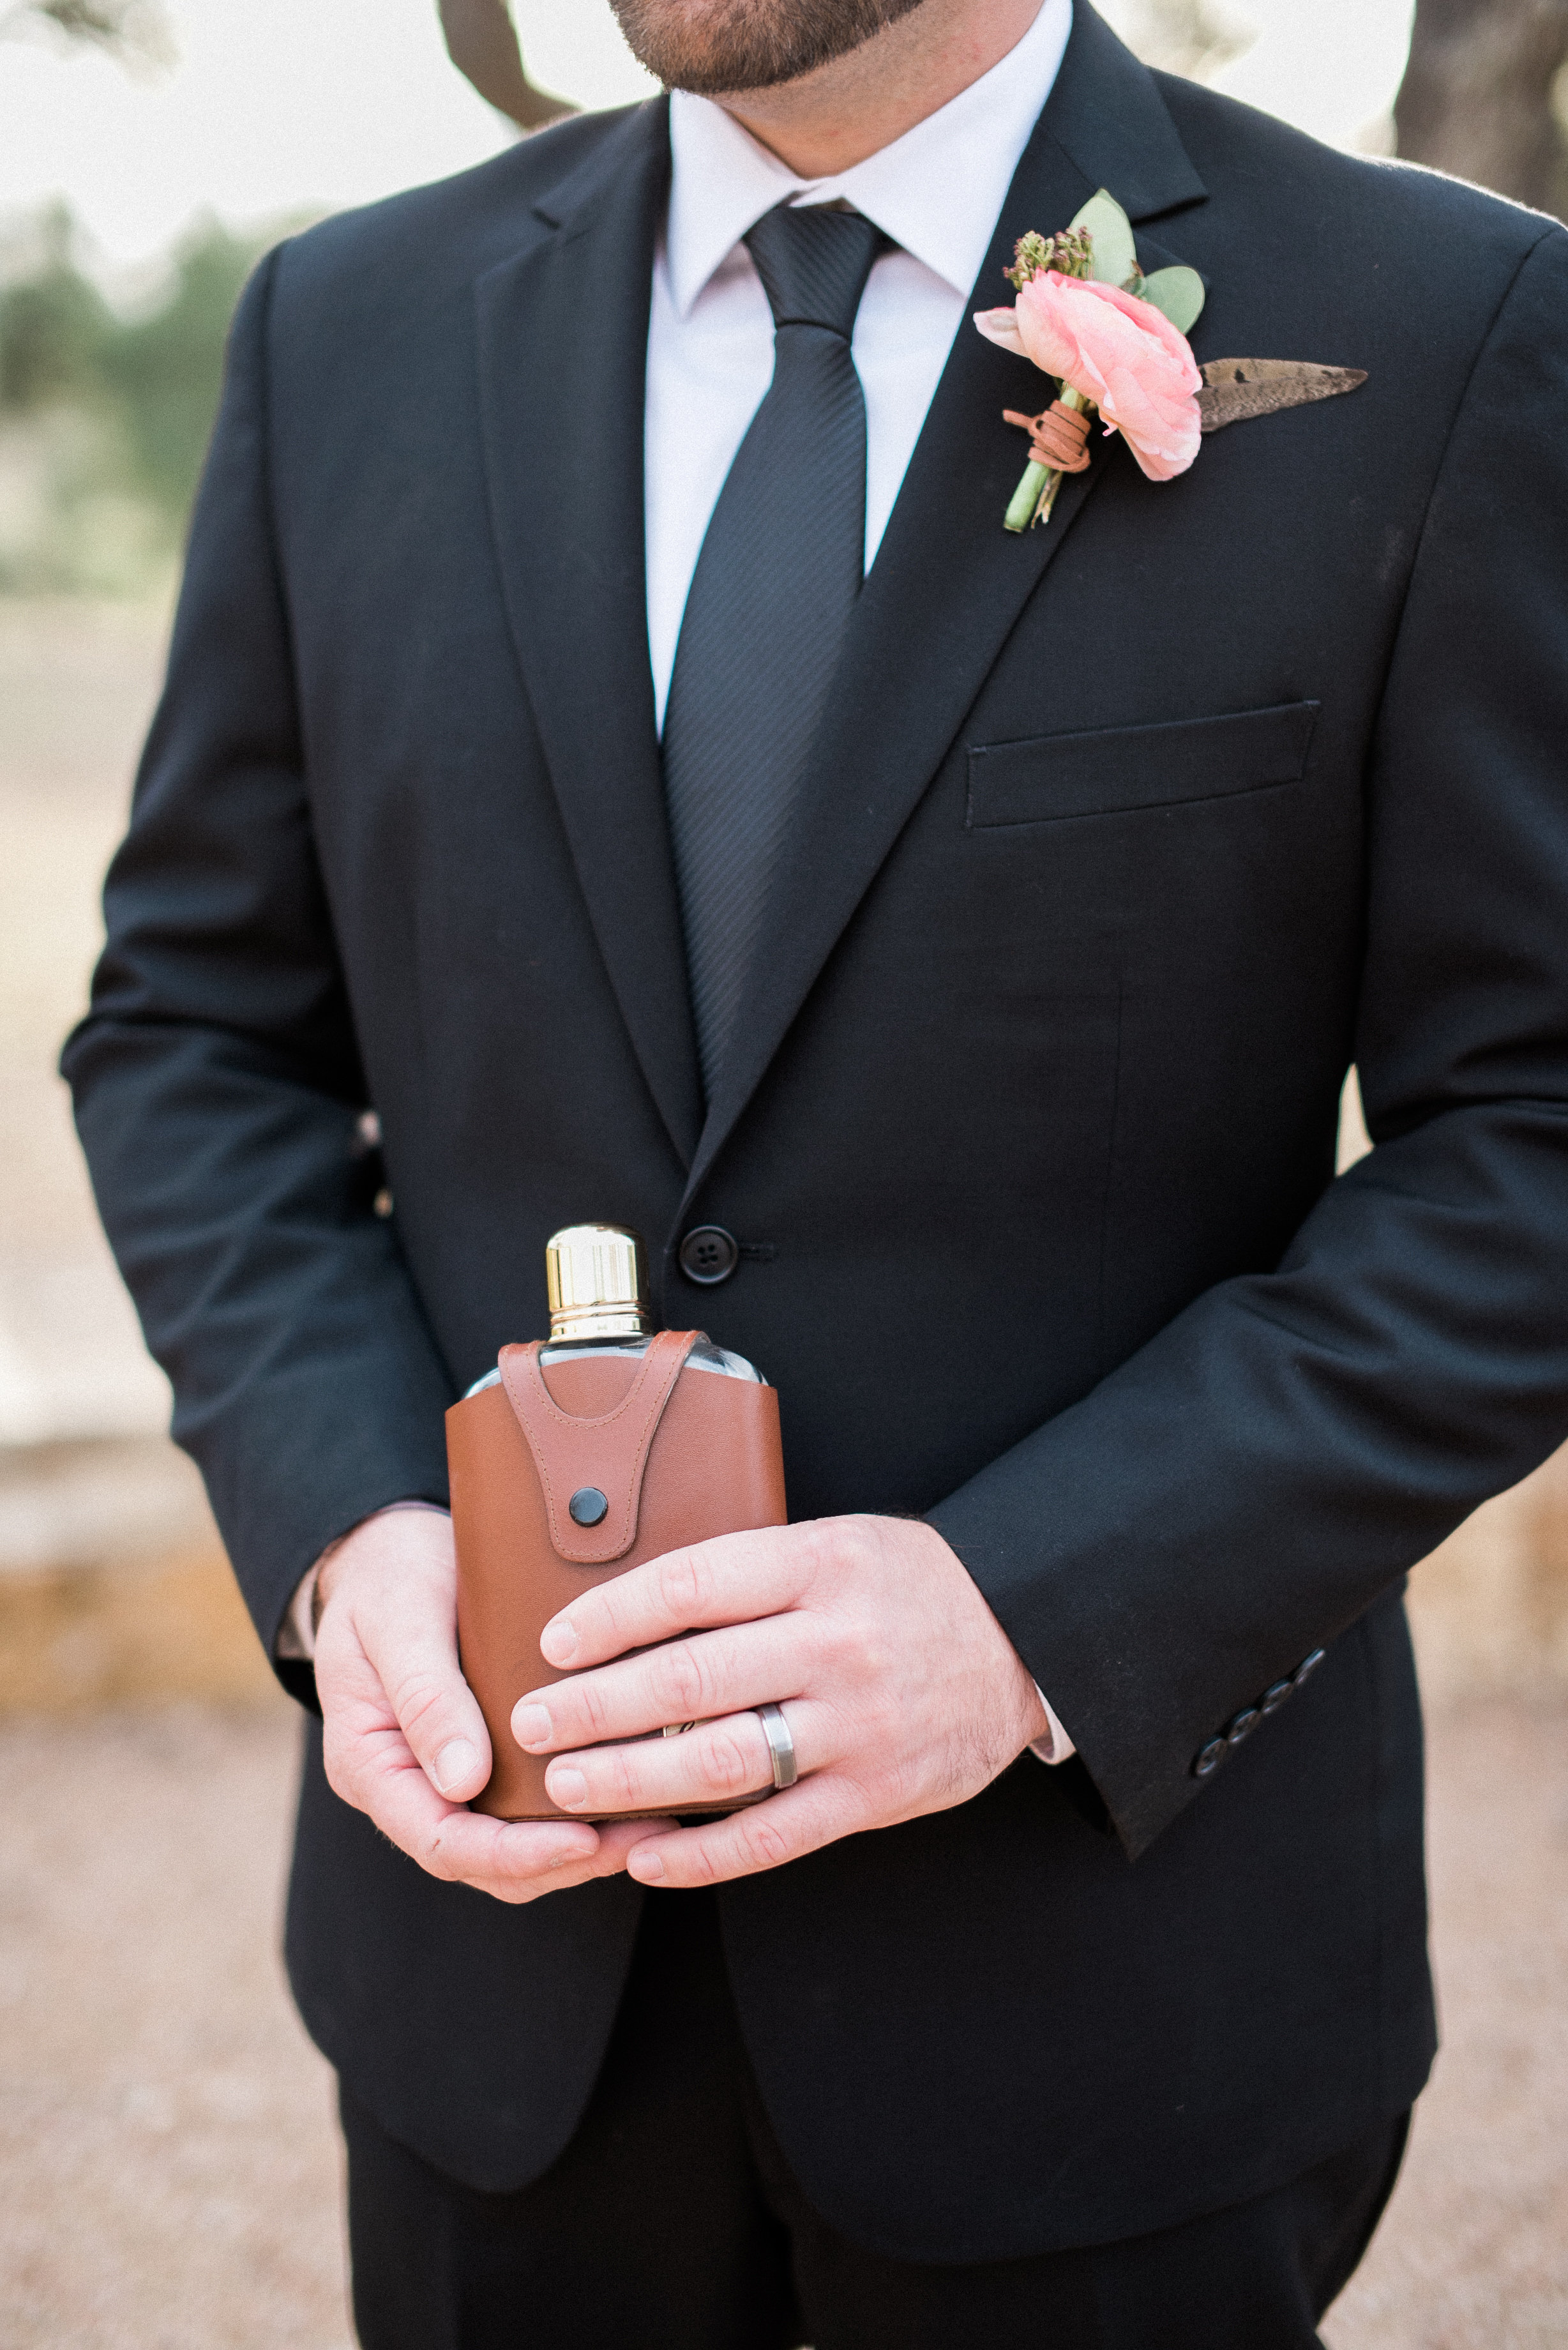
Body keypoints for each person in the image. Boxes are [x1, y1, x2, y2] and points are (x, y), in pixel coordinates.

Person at [63, 1, 1568, 2342]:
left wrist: (1030, 1614)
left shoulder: (1441, 326)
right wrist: (346, 1519)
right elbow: (197, 1035)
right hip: (497, 2009)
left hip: (1111, 2003)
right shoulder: (340, 329)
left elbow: (1540, 1137)